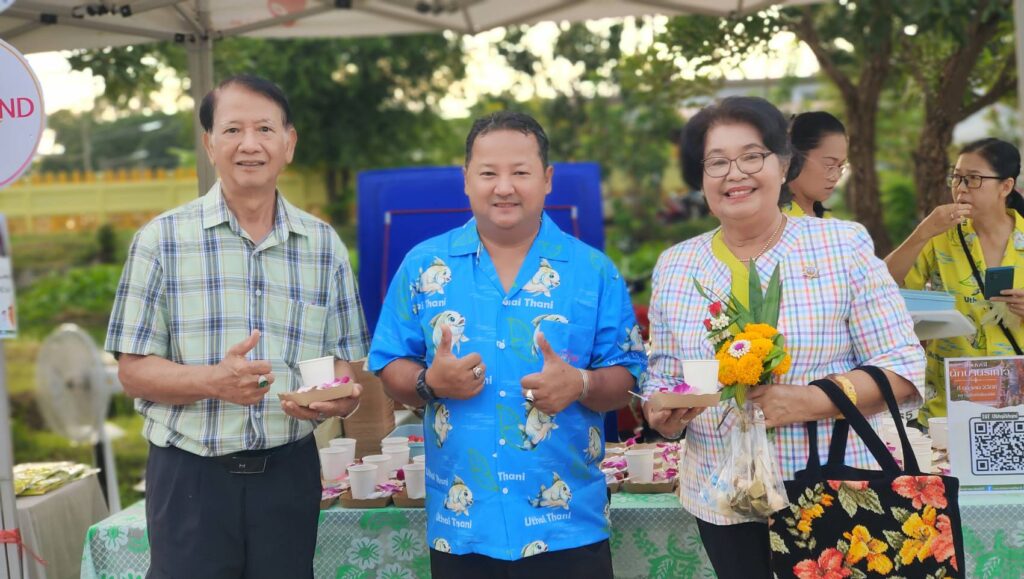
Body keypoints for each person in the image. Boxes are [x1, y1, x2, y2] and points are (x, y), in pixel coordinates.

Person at [641, 96, 925, 578]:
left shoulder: (841, 245)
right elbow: (665, 375)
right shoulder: (676, 265)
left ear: (783, 163)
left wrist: (812, 400)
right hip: (722, 499)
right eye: (716, 162)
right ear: (700, 177)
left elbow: (904, 368)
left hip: (833, 488)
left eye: (752, 156)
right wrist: (662, 412)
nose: (735, 174)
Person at [105, 75, 369, 579]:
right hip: (191, 478)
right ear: (209, 145)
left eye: (265, 129)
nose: (250, 144)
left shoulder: (323, 245)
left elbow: (343, 362)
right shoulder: (160, 241)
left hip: (289, 474)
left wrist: (338, 397)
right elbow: (132, 372)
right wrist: (214, 381)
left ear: (289, 143)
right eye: (232, 130)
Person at [368, 111, 646, 578]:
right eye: (488, 173)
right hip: (462, 527)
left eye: (520, 172)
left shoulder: (593, 271)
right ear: (466, 180)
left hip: (568, 526)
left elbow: (627, 377)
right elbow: (389, 363)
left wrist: (580, 384)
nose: (504, 187)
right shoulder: (423, 266)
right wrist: (429, 382)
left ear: (547, 179)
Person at [885, 138, 1024, 423]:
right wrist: (922, 232)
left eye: (973, 179)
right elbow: (880, 286)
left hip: (1016, 406)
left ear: (1006, 186)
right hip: (947, 409)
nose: (960, 188)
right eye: (957, 177)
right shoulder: (941, 235)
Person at [781, 111, 848, 218]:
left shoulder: (825, 219)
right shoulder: (774, 220)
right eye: (829, 165)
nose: (836, 177)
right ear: (794, 157)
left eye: (840, 166)